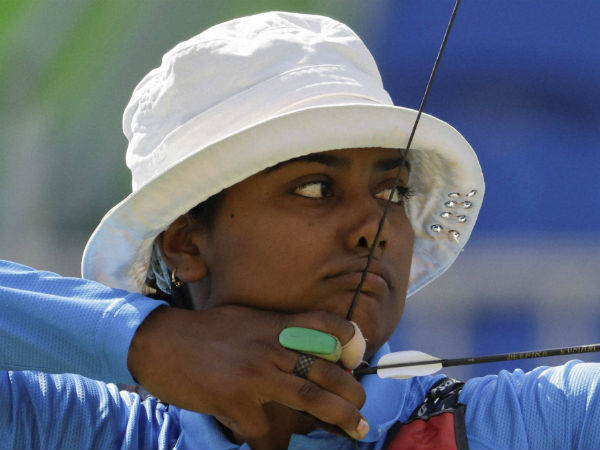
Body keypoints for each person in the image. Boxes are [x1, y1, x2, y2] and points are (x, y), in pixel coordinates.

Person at [2, 11, 600, 450]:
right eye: (315, 188)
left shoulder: (542, 424)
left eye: (392, 191)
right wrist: (146, 341)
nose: (375, 229)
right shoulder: (81, 430)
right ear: (185, 242)